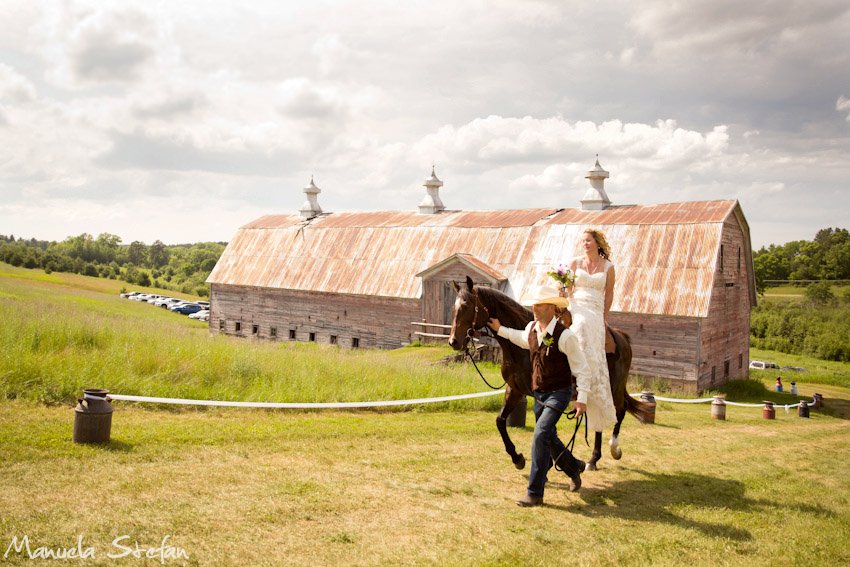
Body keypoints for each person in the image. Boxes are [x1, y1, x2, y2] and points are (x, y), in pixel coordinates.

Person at [487, 285, 592, 507]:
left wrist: (581, 399)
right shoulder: (532, 329)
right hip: (539, 393)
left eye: (539, 305)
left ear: (552, 308)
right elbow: (518, 337)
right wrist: (499, 328)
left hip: (559, 393)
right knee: (549, 437)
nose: (534, 308)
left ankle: (535, 493)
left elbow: (582, 369)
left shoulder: (566, 337)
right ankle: (574, 468)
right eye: (534, 304)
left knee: (540, 433)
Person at [564, 228, 618, 441]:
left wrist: (604, 316)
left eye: (588, 240)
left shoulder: (608, 267)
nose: (585, 244)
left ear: (597, 243)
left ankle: (587, 382)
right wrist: (567, 295)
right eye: (583, 241)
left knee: (587, 324)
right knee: (576, 325)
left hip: (595, 309)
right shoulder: (575, 263)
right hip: (576, 304)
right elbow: (568, 287)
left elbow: (610, 292)